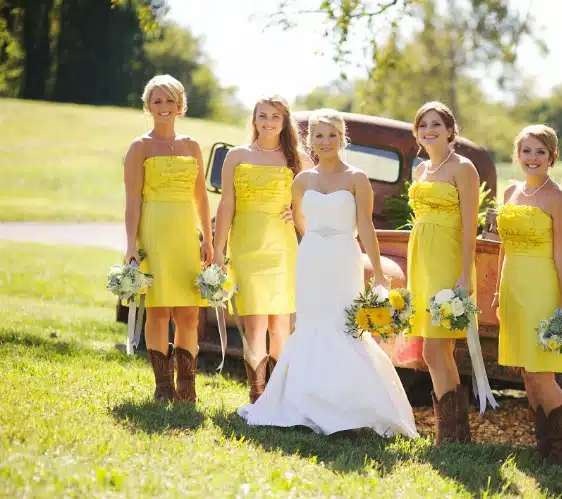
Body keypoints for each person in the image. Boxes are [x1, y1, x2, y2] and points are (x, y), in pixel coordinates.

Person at [237, 109, 417, 438]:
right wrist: (312, 240)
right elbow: (301, 223)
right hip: (311, 260)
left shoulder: (357, 178)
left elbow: (365, 225)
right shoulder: (302, 180)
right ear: (310, 141)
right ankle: (306, 404)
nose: (326, 141)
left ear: (342, 138)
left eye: (332, 134)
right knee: (310, 327)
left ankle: (350, 408)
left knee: (345, 327)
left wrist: (378, 271)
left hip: (344, 258)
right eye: (319, 135)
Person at [212, 95, 310, 402]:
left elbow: (315, 199)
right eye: (262, 116)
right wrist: (218, 249)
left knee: (280, 324)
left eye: (275, 117)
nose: (268, 122)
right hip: (246, 245)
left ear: (285, 123)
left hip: (282, 247)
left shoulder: (297, 159)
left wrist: (300, 214)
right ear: (254, 120)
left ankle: (280, 397)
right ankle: (258, 396)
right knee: (254, 321)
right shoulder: (237, 156)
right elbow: (227, 203)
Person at [123, 74, 213, 403]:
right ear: (148, 106)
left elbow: (201, 197)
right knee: (159, 310)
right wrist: (132, 244)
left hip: (187, 235)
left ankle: (187, 387)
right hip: (154, 232)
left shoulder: (191, 146)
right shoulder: (139, 147)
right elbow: (133, 200)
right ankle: (164, 387)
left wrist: (208, 239)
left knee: (189, 312)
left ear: (180, 105)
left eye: (169, 100)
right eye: (157, 101)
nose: (163, 106)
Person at [492, 124, 562, 464]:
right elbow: (504, 247)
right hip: (512, 286)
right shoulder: (510, 192)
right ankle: (544, 447)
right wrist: (499, 293)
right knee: (527, 371)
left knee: (542, 370)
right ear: (517, 155)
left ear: (551, 157)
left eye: (540, 152)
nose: (532, 158)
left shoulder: (559, 200)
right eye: (526, 151)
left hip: (543, 286)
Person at [407, 102, 480, 444]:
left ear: (451, 130)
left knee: (436, 349)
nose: (429, 130)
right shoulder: (420, 170)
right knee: (433, 351)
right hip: (421, 259)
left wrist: (464, 276)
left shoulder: (463, 168)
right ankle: (453, 434)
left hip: (448, 261)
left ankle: (450, 435)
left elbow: (470, 228)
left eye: (436, 124)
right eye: (423, 125)